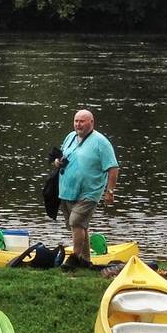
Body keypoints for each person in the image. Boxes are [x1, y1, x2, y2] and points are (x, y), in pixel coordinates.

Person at [55, 109, 119, 269]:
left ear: (91, 122)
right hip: (68, 190)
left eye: (82, 121)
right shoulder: (70, 137)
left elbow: (113, 168)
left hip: (89, 192)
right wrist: (58, 162)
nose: (78, 124)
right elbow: (64, 157)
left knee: (76, 221)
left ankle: (74, 259)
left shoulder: (101, 142)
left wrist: (110, 191)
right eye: (76, 121)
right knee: (79, 226)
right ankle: (86, 261)